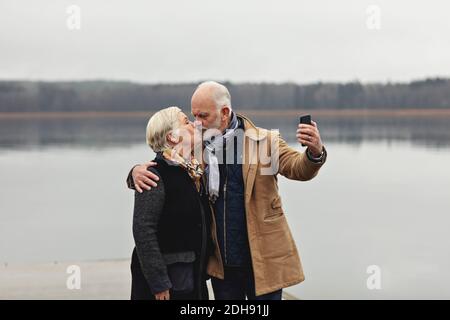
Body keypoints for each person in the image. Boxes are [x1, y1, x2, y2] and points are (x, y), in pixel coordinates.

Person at [128, 81, 327, 300]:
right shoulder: (197, 147)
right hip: (221, 268)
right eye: (194, 116)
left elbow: (299, 168)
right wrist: (135, 173)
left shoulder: (263, 142)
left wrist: (315, 152)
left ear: (224, 113)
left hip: (263, 262)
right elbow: (167, 165)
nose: (197, 123)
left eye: (203, 116)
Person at [130, 106, 211, 300]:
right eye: (186, 122)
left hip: (192, 277)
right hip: (167, 285)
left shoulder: (192, 170)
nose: (194, 124)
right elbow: (143, 230)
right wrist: (159, 284)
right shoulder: (154, 175)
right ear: (172, 137)